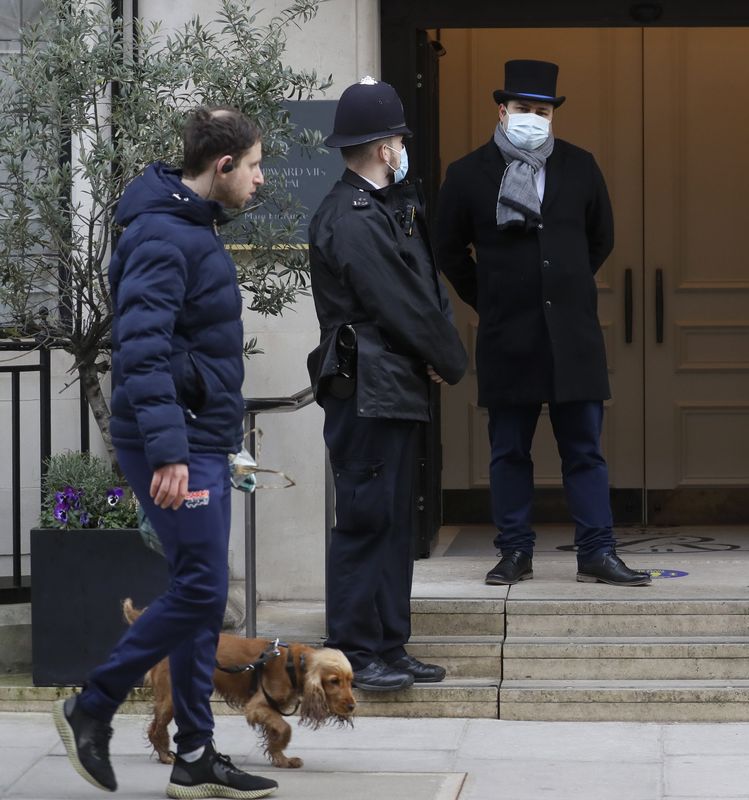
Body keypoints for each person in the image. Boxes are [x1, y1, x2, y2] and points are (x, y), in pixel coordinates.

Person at [52, 107, 277, 798]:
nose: (262, 179)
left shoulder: (188, 229)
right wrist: (173, 451)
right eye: (256, 165)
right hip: (174, 445)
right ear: (223, 167)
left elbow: (184, 347)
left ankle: (195, 755)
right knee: (204, 590)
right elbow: (143, 354)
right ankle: (91, 705)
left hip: (197, 438)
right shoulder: (162, 236)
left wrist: (217, 440)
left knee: (201, 601)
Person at [434, 59, 649, 588]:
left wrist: (565, 286)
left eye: (542, 110)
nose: (533, 117)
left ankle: (597, 551)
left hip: (573, 336)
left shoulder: (580, 165)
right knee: (509, 450)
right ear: (502, 110)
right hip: (508, 336)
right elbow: (447, 249)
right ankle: (514, 551)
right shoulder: (467, 174)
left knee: (585, 450)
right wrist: (489, 297)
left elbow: (601, 238)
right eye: (523, 108)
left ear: (553, 114)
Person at [308, 77, 468, 691]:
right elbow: (402, 304)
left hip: (389, 385)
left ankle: (388, 643)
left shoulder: (382, 208)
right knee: (366, 521)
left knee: (394, 523)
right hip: (367, 388)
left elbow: (423, 289)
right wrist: (449, 360)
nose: (403, 146)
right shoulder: (350, 217)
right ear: (382, 146)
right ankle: (353, 648)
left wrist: (434, 355)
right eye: (398, 137)